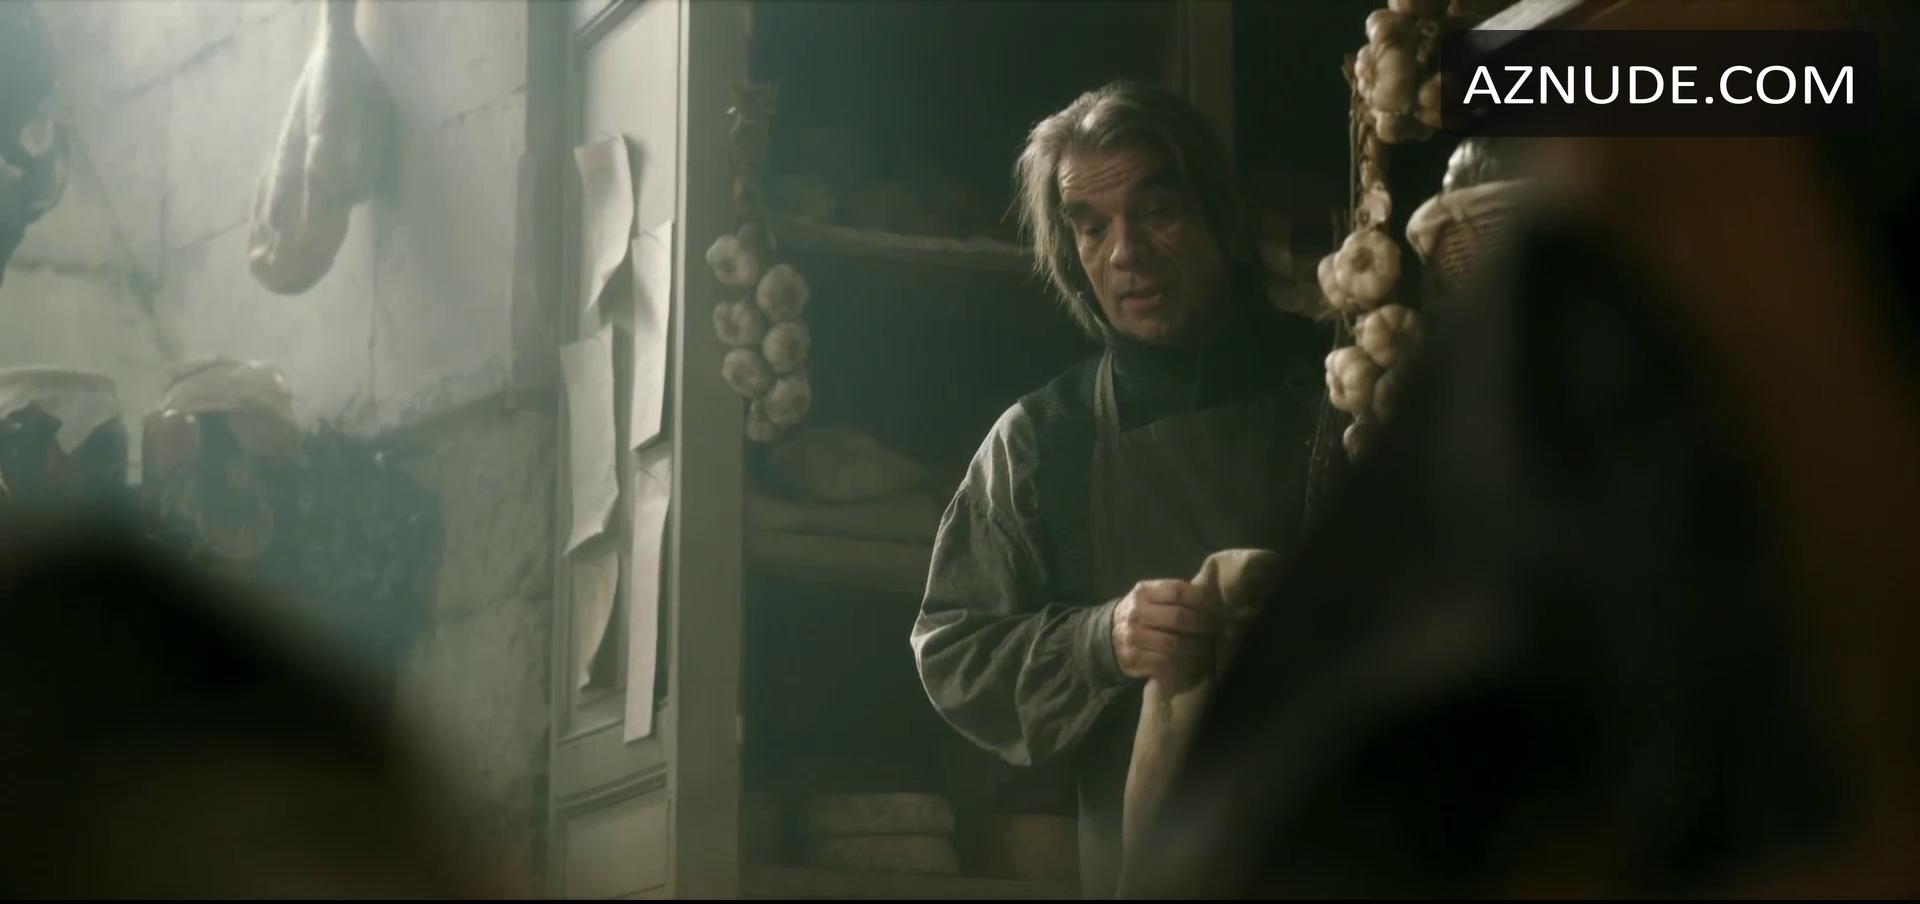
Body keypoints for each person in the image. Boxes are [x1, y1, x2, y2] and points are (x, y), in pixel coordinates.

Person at [908, 80, 1329, 898]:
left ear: (1218, 217)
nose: (1126, 253)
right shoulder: (1041, 442)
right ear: (1070, 254)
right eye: (1092, 227)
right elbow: (954, 649)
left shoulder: (1343, 386)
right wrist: (1103, 641)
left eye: (1157, 212)